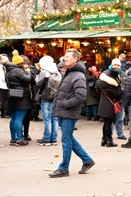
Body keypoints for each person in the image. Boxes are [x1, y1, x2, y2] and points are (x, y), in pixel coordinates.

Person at [49, 49, 95, 178]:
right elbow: (59, 66)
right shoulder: (70, 73)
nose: (64, 58)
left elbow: (81, 97)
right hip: (65, 111)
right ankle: (87, 160)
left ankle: (64, 168)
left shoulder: (78, 75)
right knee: (68, 138)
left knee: (66, 139)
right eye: (64, 56)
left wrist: (64, 104)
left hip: (69, 112)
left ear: (75, 59)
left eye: (67, 56)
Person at [3, 50, 32, 146]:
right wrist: (28, 72)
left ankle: (13, 139)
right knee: (19, 118)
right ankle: (20, 139)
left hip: (12, 96)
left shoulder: (8, 71)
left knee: (14, 118)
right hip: (22, 98)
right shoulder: (18, 70)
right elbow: (27, 80)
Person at [97, 58, 124, 147]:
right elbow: (117, 93)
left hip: (104, 102)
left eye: (118, 65)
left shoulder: (103, 80)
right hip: (109, 103)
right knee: (108, 123)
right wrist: (121, 91)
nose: (116, 66)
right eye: (114, 65)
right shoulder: (110, 82)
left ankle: (104, 139)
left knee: (106, 123)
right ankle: (109, 141)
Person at [36, 56, 61, 146]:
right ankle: (53, 139)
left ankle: (46, 139)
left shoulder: (44, 72)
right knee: (55, 119)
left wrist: (37, 80)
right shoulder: (57, 72)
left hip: (46, 98)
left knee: (47, 119)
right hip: (55, 98)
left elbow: (39, 85)